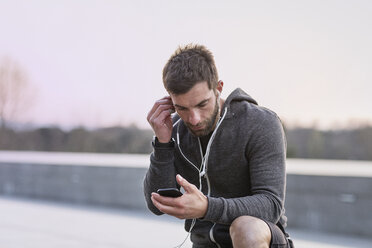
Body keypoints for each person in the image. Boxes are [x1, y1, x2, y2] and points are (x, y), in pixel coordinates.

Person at [144, 44, 293, 248]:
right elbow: (156, 205)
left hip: (261, 240)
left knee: (245, 228)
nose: (194, 119)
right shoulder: (176, 132)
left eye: (201, 104)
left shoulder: (260, 123)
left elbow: (271, 205)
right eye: (182, 108)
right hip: (203, 244)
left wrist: (207, 207)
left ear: (218, 88)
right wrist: (162, 143)